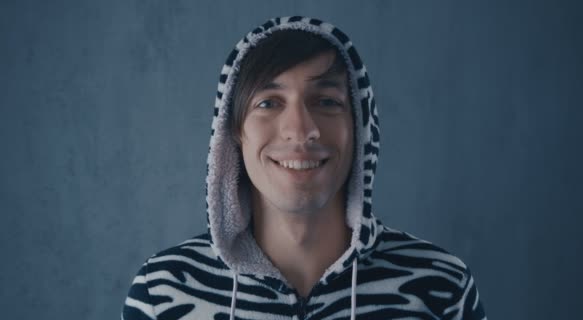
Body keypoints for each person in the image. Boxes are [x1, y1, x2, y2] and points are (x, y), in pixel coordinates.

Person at [122, 16, 486, 320]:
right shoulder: (163, 290)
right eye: (268, 103)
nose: (300, 130)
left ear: (359, 129)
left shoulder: (440, 288)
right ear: (233, 133)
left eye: (326, 101)